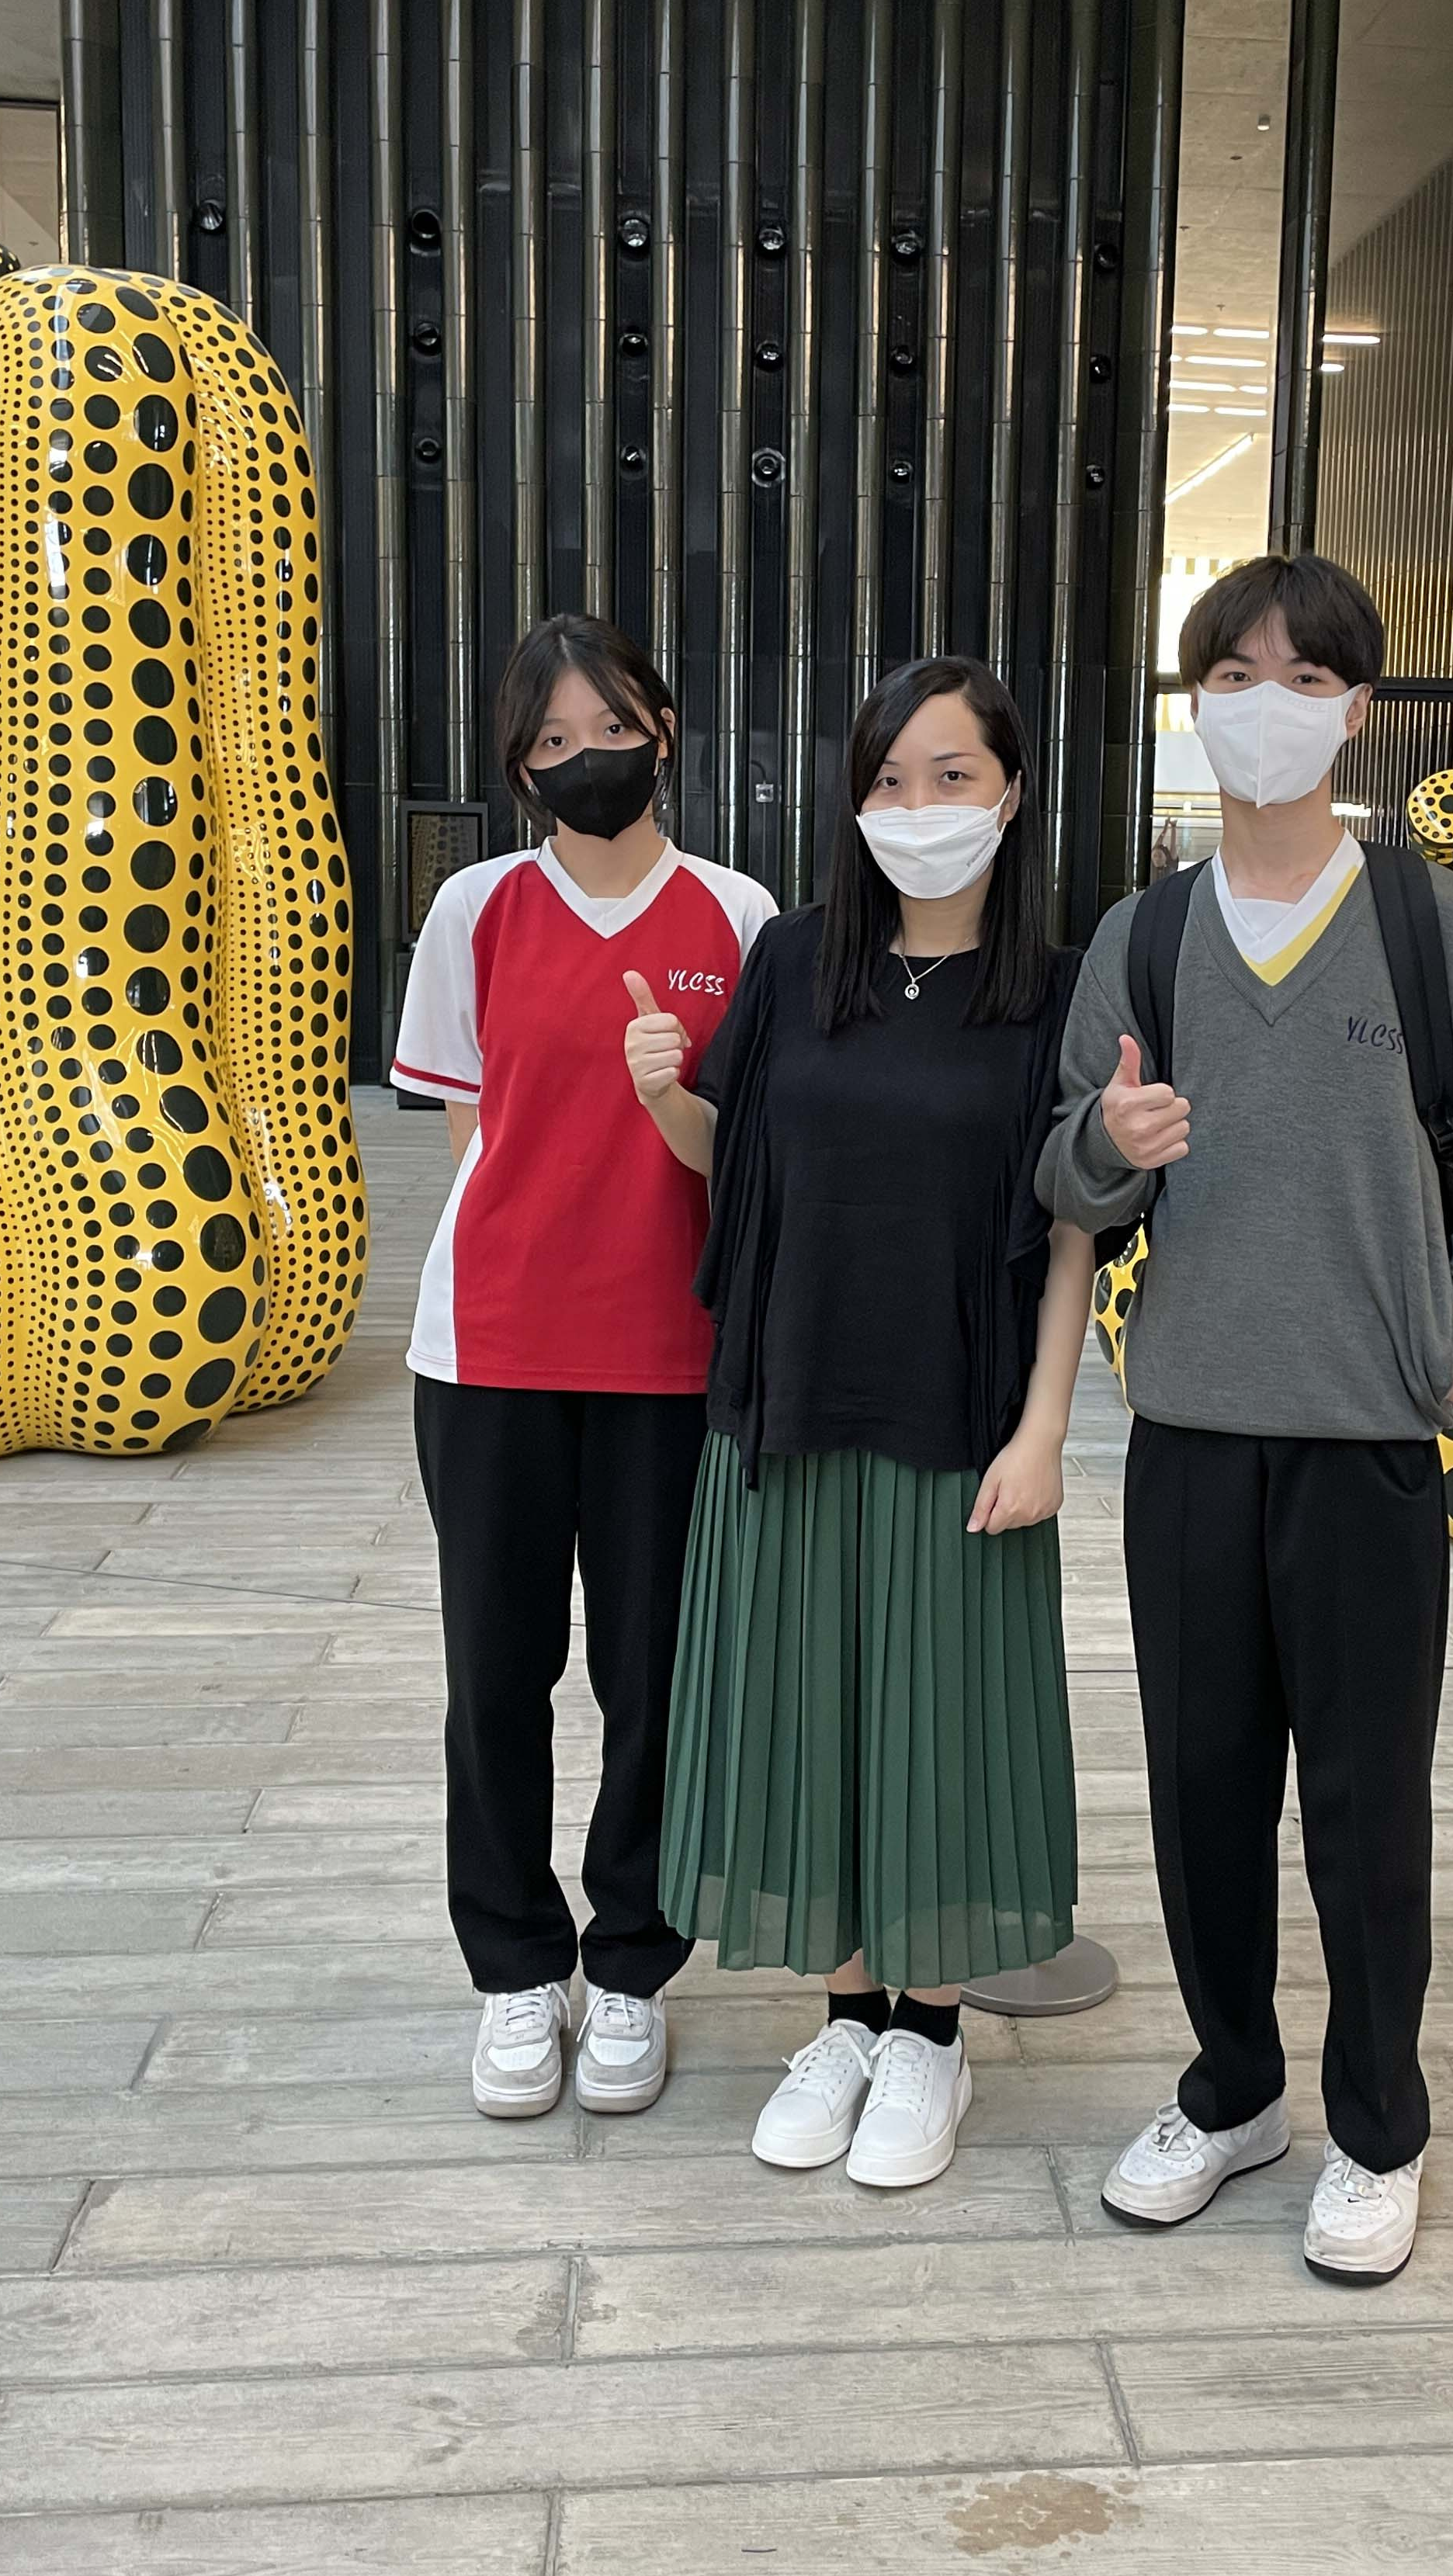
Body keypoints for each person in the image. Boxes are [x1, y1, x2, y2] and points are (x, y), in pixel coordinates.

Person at [1038, 553, 1453, 2280]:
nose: (1264, 705)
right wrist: (1106, 1149)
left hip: (1367, 1441)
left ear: (1357, 711)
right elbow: (1064, 1173)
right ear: (1194, 706)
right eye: (1232, 675)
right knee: (1202, 1792)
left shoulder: (1430, 927)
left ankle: (1378, 2127)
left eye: (1304, 676)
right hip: (1192, 1432)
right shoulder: (1145, 937)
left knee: (1364, 1804)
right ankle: (1232, 2090)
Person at [633, 656, 1094, 2190]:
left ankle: (931, 2037)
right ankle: (845, 2021)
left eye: (952, 775)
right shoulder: (794, 960)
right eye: (890, 780)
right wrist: (662, 1095)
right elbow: (738, 1158)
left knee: (936, 1729)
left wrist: (1044, 1430)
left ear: (1011, 794)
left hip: (958, 1419)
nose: (918, 806)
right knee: (812, 1718)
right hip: (788, 1399)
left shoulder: (1056, 990)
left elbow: (1074, 1227)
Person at [394, 613, 776, 2125]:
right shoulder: (475, 908)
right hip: (488, 1355)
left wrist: (669, 1101)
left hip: (672, 1362)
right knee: (495, 1677)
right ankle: (513, 1969)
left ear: (664, 734)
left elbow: (746, 1160)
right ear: (519, 768)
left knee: (654, 1679)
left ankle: (629, 1964)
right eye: (551, 741)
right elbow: (471, 1133)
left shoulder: (740, 917)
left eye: (610, 729)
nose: (585, 759)